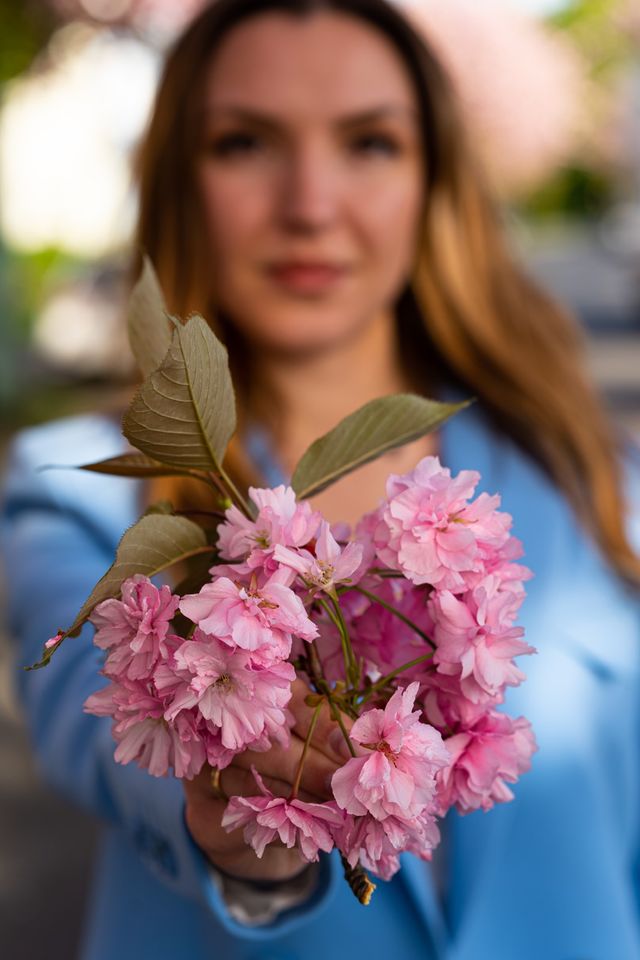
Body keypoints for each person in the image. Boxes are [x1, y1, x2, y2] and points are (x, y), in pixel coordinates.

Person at [3, 1, 640, 958]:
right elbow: (93, 732)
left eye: (369, 143)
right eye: (247, 142)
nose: (310, 203)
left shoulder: (592, 482)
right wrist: (230, 823)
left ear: (433, 182)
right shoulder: (79, 498)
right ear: (181, 183)